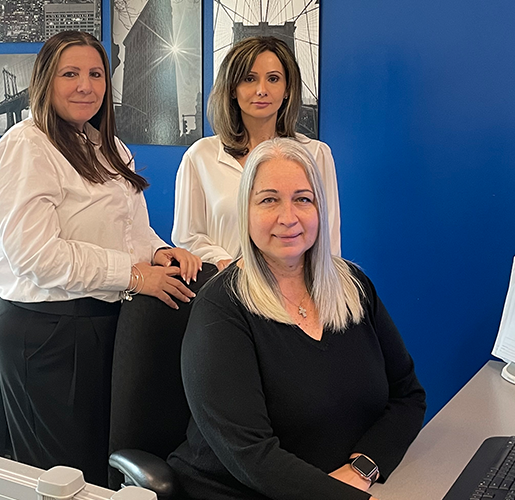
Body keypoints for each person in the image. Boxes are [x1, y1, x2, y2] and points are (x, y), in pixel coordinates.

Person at [0, 30, 200, 486]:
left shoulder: (108, 147)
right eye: (71, 74)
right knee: (63, 475)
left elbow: (130, 231)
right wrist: (135, 276)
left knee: (101, 466)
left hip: (102, 321)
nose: (86, 86)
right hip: (47, 332)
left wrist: (160, 252)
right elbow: (35, 255)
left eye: (96, 74)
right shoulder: (27, 147)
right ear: (45, 80)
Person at [167, 138, 425, 500]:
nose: (288, 218)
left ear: (320, 208)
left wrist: (363, 467)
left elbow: (408, 395)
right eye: (269, 200)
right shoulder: (221, 307)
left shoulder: (353, 288)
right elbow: (251, 456)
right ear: (246, 211)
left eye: (302, 199)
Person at [173, 36, 341, 271]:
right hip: (227, 286)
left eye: (273, 79)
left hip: (296, 286)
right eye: (249, 79)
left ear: (287, 89)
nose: (262, 90)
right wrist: (228, 264)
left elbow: (329, 242)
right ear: (232, 89)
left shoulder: (316, 154)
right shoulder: (200, 156)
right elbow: (187, 237)